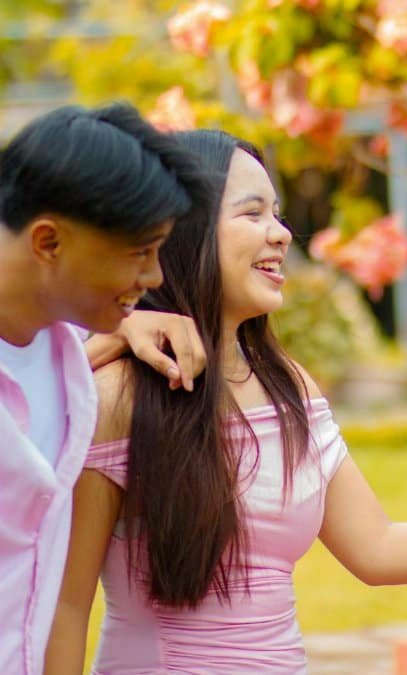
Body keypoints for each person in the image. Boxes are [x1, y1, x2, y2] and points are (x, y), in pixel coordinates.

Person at [45, 129, 407, 673]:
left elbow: (379, 548)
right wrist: (120, 331)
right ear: (181, 230)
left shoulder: (289, 387)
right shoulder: (120, 393)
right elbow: (66, 606)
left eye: (277, 214)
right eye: (252, 213)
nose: (280, 234)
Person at [0, 103, 209, 675]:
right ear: (48, 242)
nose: (156, 278)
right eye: (140, 252)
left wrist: (130, 322)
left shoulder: (65, 352)